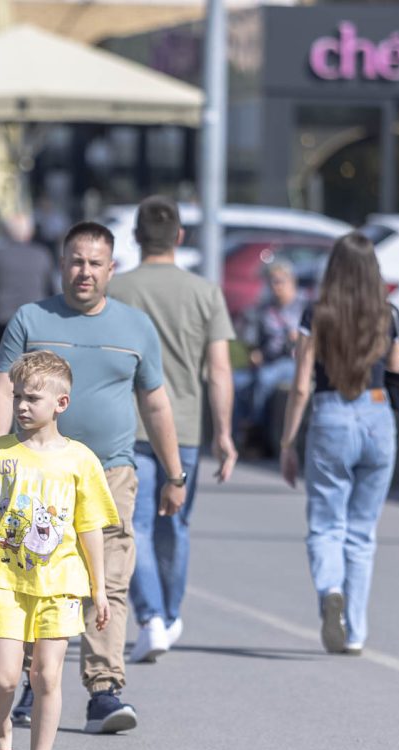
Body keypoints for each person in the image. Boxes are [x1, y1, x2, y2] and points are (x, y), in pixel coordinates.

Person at [0, 221, 186, 733]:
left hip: (110, 472)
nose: (84, 272)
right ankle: (33, 677)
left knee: (108, 580)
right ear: (62, 263)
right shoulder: (31, 319)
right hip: (36, 472)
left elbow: (156, 402)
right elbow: (3, 389)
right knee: (34, 577)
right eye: (76, 260)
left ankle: (104, 690)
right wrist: (0, 451)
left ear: (111, 269)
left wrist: (174, 472)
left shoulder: (136, 327)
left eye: (95, 263)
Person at [0, 350, 118, 750]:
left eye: (32, 398)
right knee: (6, 679)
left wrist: (99, 589)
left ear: (61, 404)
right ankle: (2, 728)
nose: (22, 407)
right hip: (5, 579)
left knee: (47, 677)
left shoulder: (81, 460)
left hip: (61, 583)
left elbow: (89, 527)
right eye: (17, 397)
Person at [109, 196, 238, 663]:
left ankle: (153, 618)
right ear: (179, 237)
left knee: (135, 526)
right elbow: (220, 371)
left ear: (138, 237)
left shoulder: (117, 289)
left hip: (130, 424)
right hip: (184, 427)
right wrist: (224, 434)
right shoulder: (205, 293)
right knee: (176, 525)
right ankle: (169, 612)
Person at [278, 232, 399, 655]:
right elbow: (398, 373)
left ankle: (332, 589)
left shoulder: (317, 314)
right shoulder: (389, 315)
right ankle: (356, 633)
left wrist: (287, 442)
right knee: (362, 533)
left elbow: (299, 386)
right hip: (378, 413)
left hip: (331, 413)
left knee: (327, 525)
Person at [0, 214, 55, 380]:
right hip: (34, 321)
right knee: (33, 369)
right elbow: (51, 288)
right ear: (29, 232)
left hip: (1, 318)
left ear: (6, 233)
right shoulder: (42, 255)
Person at [233, 259, 305, 449]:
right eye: (272, 281)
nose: (276, 286)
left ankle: (257, 432)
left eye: (280, 281)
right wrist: (255, 353)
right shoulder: (266, 309)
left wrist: (298, 337)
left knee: (265, 379)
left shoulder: (303, 308)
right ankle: (237, 436)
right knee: (236, 382)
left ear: (292, 282)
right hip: (267, 360)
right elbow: (254, 339)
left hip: (292, 361)